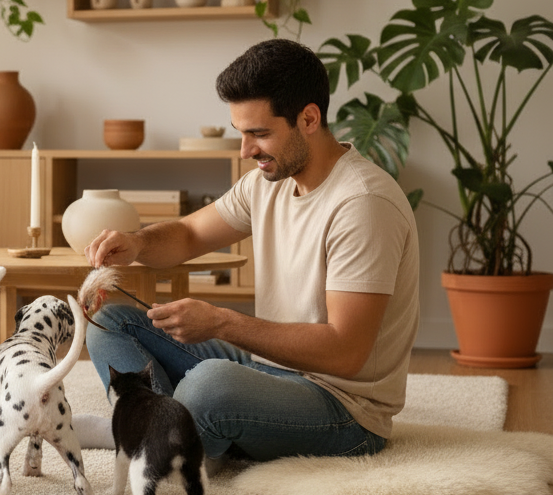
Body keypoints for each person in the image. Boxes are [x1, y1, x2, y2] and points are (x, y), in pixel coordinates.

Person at [78, 39, 420, 464]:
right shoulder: (266, 182)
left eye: (259, 134)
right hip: (268, 368)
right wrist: (138, 243)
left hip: (343, 408)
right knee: (109, 322)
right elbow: (188, 234)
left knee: (211, 385)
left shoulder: (363, 204)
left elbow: (345, 353)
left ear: (309, 118)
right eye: (242, 133)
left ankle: (153, 434)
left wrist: (221, 321)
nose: (245, 151)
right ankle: (162, 433)